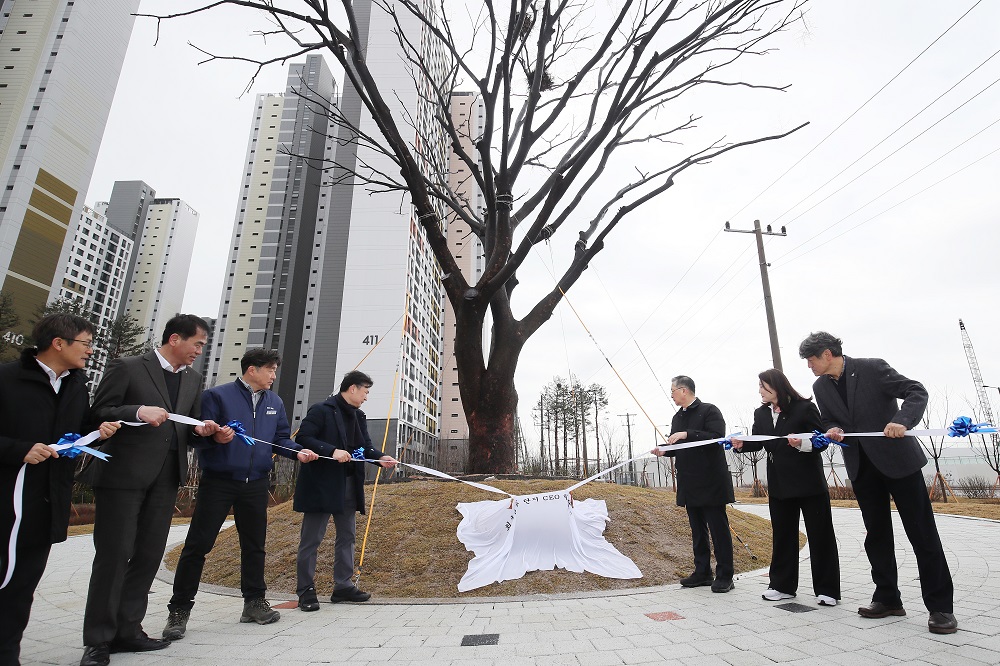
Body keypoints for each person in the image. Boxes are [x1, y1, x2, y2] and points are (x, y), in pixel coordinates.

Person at [80, 315, 222, 666]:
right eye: (197, 344)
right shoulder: (127, 367)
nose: (199, 352)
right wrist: (138, 411)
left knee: (147, 556)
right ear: (175, 339)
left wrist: (204, 433)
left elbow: (184, 429)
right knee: (114, 556)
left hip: (165, 479)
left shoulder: (193, 379)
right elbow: (97, 413)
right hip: (122, 476)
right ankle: (98, 640)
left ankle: (129, 630)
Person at [799, 331, 957, 634]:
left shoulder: (872, 368)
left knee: (922, 534)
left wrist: (903, 421)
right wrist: (832, 429)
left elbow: (916, 390)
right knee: (877, 535)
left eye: (811, 359)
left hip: (899, 462)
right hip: (862, 468)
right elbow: (829, 418)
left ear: (828, 354)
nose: (809, 365)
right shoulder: (820, 386)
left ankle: (941, 608)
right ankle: (887, 598)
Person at [161, 348, 319, 641]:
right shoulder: (217, 396)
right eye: (270, 370)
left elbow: (280, 439)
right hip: (219, 481)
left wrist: (299, 453)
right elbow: (197, 436)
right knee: (198, 546)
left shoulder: (275, 401)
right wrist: (214, 435)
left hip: (257, 483)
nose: (274, 376)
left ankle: (254, 603)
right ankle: (179, 611)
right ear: (252, 370)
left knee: (254, 545)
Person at [0, 314, 120, 665]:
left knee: (22, 587)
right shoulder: (7, 379)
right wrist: (17, 449)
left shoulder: (75, 385)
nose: (90, 351)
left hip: (46, 502)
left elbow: (75, 428)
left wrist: (98, 427)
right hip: (8, 501)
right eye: (86, 343)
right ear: (59, 343)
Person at [731, 368, 840, 607]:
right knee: (783, 535)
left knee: (820, 535)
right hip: (779, 484)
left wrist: (802, 443)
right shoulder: (760, 413)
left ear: (776, 386)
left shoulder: (804, 407)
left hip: (809, 482)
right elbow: (759, 442)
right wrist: (741, 445)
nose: (759, 390)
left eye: (762, 385)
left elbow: (821, 440)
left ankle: (827, 589)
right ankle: (782, 585)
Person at [293, 370, 396, 611]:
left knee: (347, 536)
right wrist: (331, 451)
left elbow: (365, 448)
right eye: (365, 391)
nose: (366, 397)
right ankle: (305, 590)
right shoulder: (321, 410)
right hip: (321, 485)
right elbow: (304, 437)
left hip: (349, 485)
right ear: (352, 388)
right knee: (312, 539)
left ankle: (343, 585)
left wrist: (380, 458)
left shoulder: (359, 416)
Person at [651, 375, 735, 593]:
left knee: (718, 529)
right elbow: (677, 446)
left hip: (711, 480)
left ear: (684, 390)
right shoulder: (677, 417)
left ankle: (725, 575)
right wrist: (663, 450)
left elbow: (716, 437)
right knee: (697, 530)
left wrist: (686, 434)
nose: (671, 395)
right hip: (689, 481)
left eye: (673, 390)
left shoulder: (709, 411)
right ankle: (702, 572)